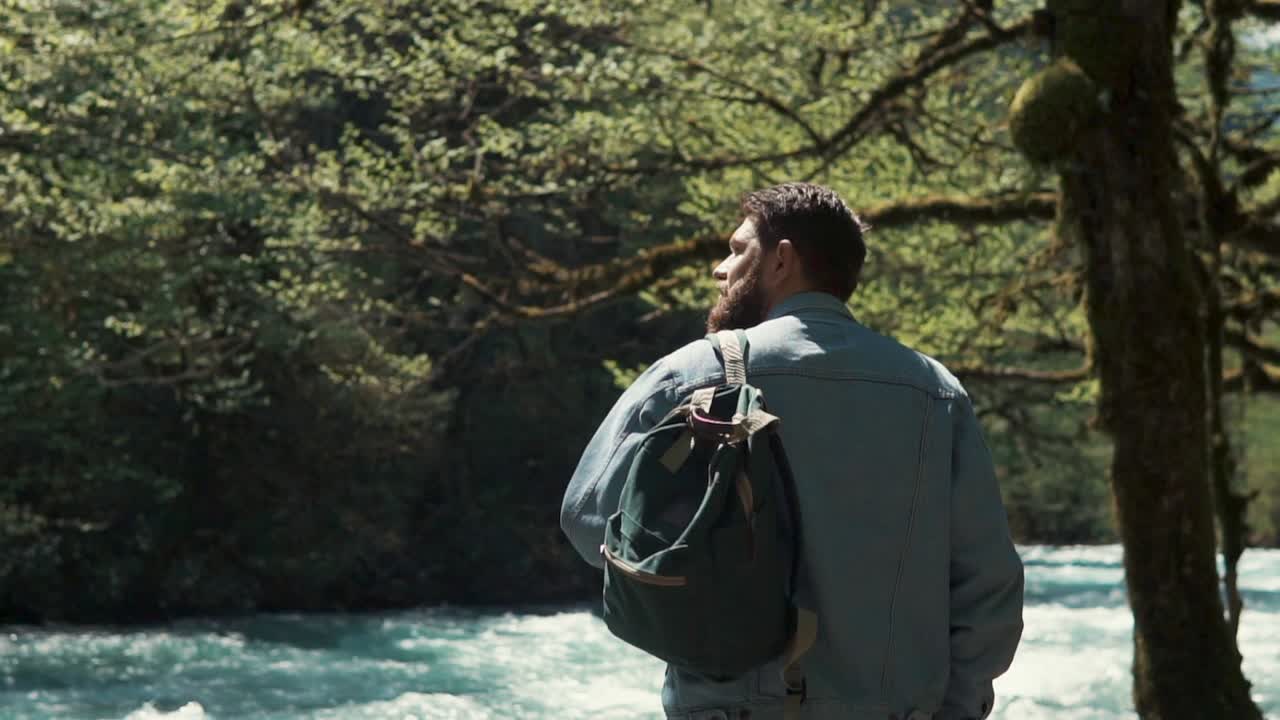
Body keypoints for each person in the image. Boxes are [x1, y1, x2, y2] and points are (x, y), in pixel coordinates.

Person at [560, 182, 1024, 720]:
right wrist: (957, 707)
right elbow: (988, 583)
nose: (719, 269)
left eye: (737, 250)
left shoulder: (693, 374)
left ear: (781, 260)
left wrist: (696, 561)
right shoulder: (937, 393)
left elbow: (586, 519)